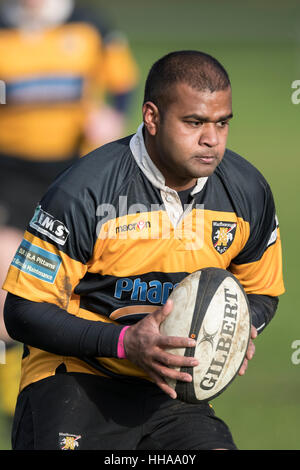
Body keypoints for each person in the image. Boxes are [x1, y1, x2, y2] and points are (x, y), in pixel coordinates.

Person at [2, 50, 284, 450]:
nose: (212, 139)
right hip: (75, 378)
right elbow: (22, 311)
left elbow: (262, 291)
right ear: (152, 117)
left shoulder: (247, 192)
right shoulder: (84, 191)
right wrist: (125, 343)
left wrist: (238, 326)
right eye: (194, 122)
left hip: (170, 393)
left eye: (222, 123)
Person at [0, 0, 138, 422]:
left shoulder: (89, 25)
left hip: (73, 171)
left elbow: (124, 84)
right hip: (9, 171)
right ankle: (15, 393)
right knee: (9, 279)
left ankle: (75, 377)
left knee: (70, 283)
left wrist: (112, 117)